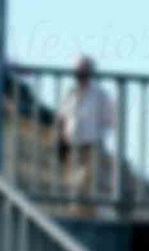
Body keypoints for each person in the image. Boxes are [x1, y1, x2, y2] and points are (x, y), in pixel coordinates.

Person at [56, 56, 115, 219]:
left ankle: (87, 215)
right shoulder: (71, 93)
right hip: (72, 146)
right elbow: (62, 116)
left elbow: (110, 120)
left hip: (91, 146)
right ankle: (77, 215)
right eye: (77, 70)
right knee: (73, 184)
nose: (79, 74)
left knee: (85, 184)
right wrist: (62, 138)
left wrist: (97, 138)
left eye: (83, 70)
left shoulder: (101, 95)